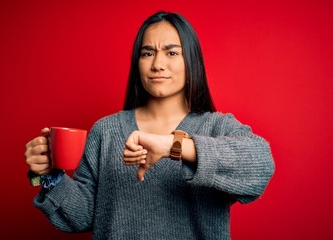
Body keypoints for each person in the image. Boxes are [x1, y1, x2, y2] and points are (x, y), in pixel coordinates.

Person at [25, 11, 275, 240]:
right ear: (137, 62)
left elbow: (261, 166)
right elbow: (82, 217)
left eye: (172, 52)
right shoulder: (105, 131)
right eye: (147, 53)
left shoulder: (216, 126)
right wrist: (50, 176)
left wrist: (172, 145)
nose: (157, 64)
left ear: (191, 60)